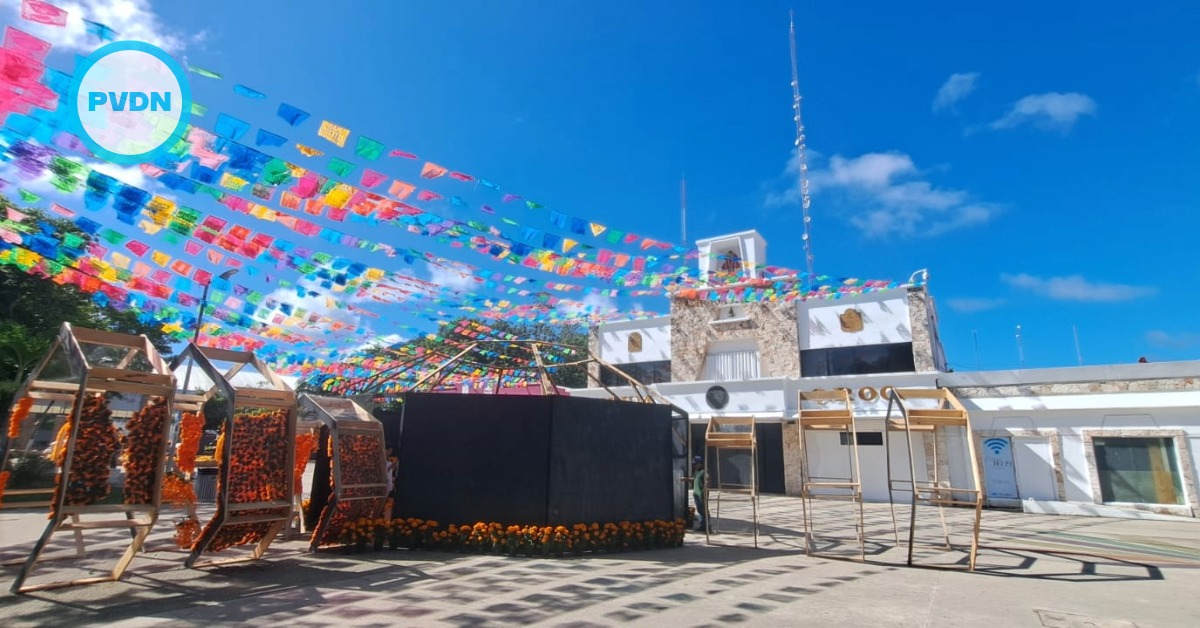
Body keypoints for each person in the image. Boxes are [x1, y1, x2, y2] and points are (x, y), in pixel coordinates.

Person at [691, 456, 707, 531]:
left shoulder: (703, 473)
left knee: (703, 510)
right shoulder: (696, 472)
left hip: (701, 494)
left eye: (696, 464)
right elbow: (694, 479)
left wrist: (704, 494)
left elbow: (705, 484)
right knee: (699, 509)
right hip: (696, 494)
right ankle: (702, 524)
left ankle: (705, 525)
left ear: (700, 464)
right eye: (694, 464)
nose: (695, 466)